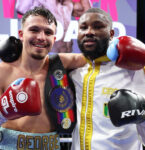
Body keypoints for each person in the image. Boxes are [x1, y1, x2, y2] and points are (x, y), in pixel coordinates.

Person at [0, 7, 86, 150]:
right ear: (21, 34)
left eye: (48, 32)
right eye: (34, 30)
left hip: (52, 145)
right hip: (9, 144)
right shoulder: (4, 71)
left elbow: (97, 57)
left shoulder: (62, 63)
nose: (41, 37)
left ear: (54, 38)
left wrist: (117, 47)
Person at [69, 8, 145, 150]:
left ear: (111, 33)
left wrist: (144, 115)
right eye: (83, 27)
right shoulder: (75, 71)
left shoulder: (132, 69)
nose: (89, 32)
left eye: (97, 26)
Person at [15, 0, 92, 53]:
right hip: (48, 57)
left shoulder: (67, 3)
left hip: (67, 55)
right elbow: (21, 8)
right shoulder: (42, 2)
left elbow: (87, 11)